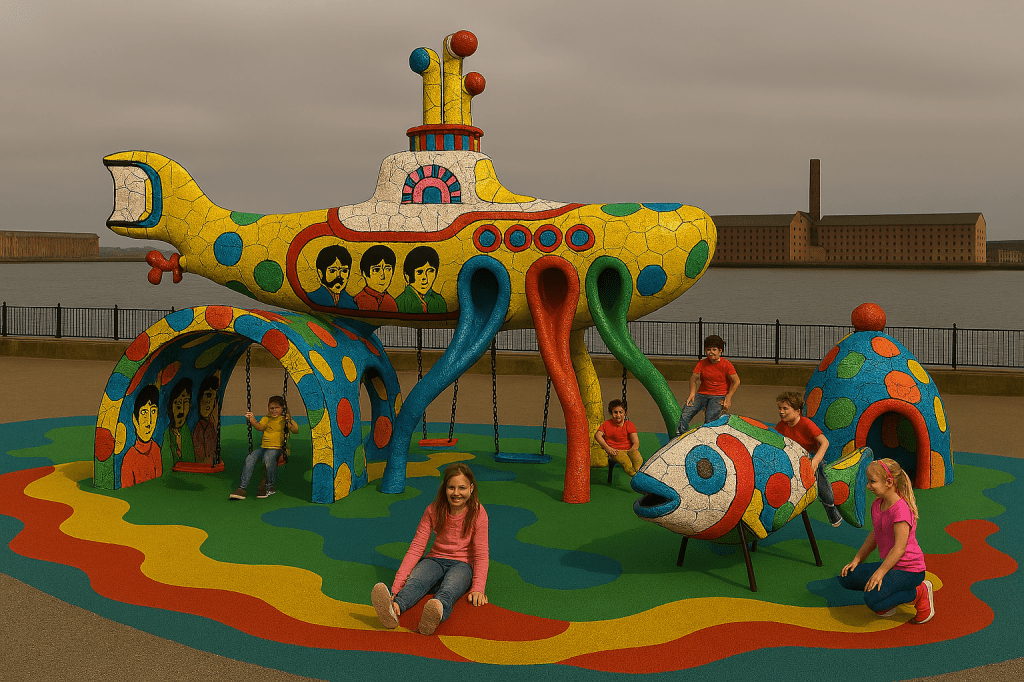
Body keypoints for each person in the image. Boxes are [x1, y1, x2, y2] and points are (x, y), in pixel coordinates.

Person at [371, 463, 489, 635]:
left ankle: (436, 611)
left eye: (462, 488)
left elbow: (481, 553)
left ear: (471, 488)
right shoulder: (433, 510)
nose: (456, 493)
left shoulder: (478, 512)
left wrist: (478, 588)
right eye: (451, 487)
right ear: (444, 488)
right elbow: (417, 547)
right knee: (417, 581)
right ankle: (394, 607)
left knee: (450, 589)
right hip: (435, 559)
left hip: (462, 565)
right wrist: (396, 587)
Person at [838, 458, 934, 624]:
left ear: (889, 482)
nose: (868, 486)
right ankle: (888, 595)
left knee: (872, 600)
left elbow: (899, 548)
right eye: (868, 481)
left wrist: (880, 572)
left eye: (872, 482)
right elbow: (875, 534)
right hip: (892, 566)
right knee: (847, 576)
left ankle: (919, 591)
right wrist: (857, 559)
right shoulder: (878, 504)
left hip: (909, 570)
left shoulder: (901, 510)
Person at [775, 391, 842, 527]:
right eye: (780, 408)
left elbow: (825, 442)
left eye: (785, 408)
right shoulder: (781, 425)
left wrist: (815, 461)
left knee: (819, 475)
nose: (781, 412)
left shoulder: (806, 424)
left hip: (810, 456)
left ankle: (830, 506)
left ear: (798, 411)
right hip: (793, 457)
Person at [229, 395, 298, 500]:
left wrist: (289, 421)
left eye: (277, 408)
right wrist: (252, 420)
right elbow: (259, 427)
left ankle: (269, 486)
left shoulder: (285, 420)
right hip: (264, 447)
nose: (274, 410)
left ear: (283, 408)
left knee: (268, 458)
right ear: (268, 408)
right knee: (250, 458)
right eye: (271, 408)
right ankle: (242, 488)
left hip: (278, 448)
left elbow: (295, 430)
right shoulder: (266, 419)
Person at [676, 335, 740, 434]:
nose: (711, 352)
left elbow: (736, 381)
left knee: (711, 417)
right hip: (702, 394)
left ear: (720, 351)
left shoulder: (727, 365)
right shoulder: (702, 363)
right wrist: (692, 394)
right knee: (686, 412)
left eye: (714, 349)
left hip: (719, 395)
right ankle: (679, 436)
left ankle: (707, 439)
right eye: (708, 349)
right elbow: (693, 379)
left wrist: (728, 397)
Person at [120, 385, 162, 487]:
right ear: (135, 420)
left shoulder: (156, 449)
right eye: (144, 412)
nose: (149, 421)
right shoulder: (129, 458)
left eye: (153, 411)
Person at [595, 399, 643, 476]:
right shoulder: (606, 424)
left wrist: (633, 449)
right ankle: (636, 477)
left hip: (629, 449)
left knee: (638, 460)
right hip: (616, 451)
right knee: (627, 463)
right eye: (615, 412)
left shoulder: (629, 425)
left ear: (625, 413)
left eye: (621, 412)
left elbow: (635, 441)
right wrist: (608, 448)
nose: (618, 415)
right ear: (611, 413)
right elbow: (597, 435)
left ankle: (639, 473)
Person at [396, 245, 447, 314]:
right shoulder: (400, 302)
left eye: (430, 271)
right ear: (407, 276)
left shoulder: (439, 301)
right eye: (419, 272)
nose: (425, 277)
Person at [308, 245, 357, 309]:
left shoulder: (351, 302)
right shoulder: (312, 298)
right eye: (332, 271)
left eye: (344, 271)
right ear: (321, 274)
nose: (339, 276)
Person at [354, 245, 399, 312]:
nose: (383, 275)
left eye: (387, 269)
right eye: (376, 270)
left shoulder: (391, 301)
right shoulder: (358, 300)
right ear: (364, 273)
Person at [163, 378, 195, 464]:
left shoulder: (185, 430)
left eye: (186, 402)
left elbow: (190, 460)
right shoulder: (167, 434)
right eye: (177, 402)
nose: (181, 409)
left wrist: (180, 446)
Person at [192, 375, 220, 463]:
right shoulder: (198, 428)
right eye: (208, 396)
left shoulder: (211, 427)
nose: (209, 402)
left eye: (213, 399)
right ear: (200, 398)